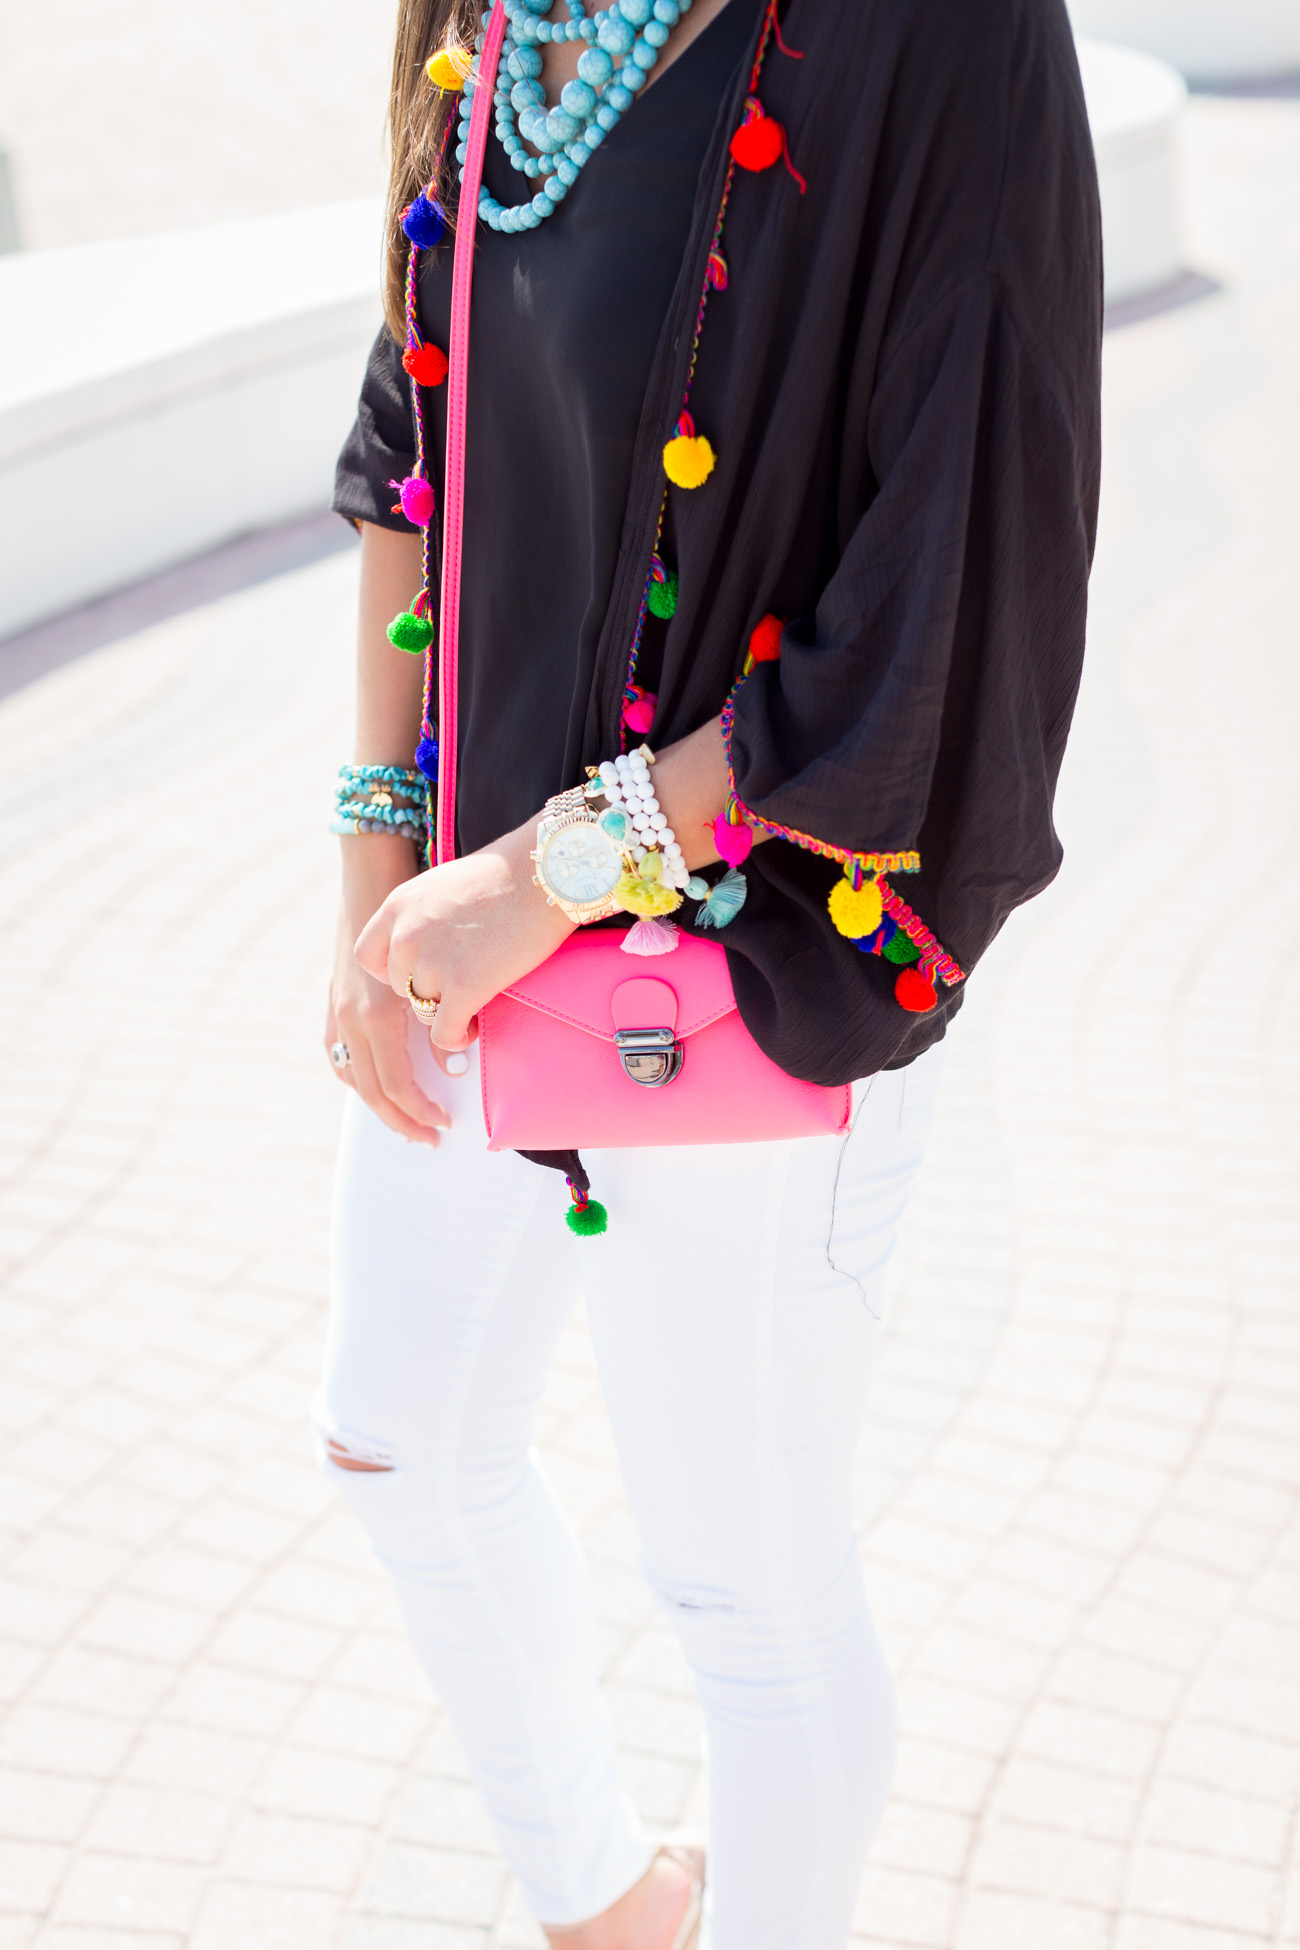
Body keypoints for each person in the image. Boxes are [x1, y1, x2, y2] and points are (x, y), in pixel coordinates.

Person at [317, 0, 1101, 1944]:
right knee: (397, 1439)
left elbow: (947, 597)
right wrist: (375, 867)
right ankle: (609, 1907)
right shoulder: (497, 12)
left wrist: (551, 871)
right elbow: (416, 418)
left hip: (755, 955)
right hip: (470, 928)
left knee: (741, 1593)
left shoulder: (945, 36)